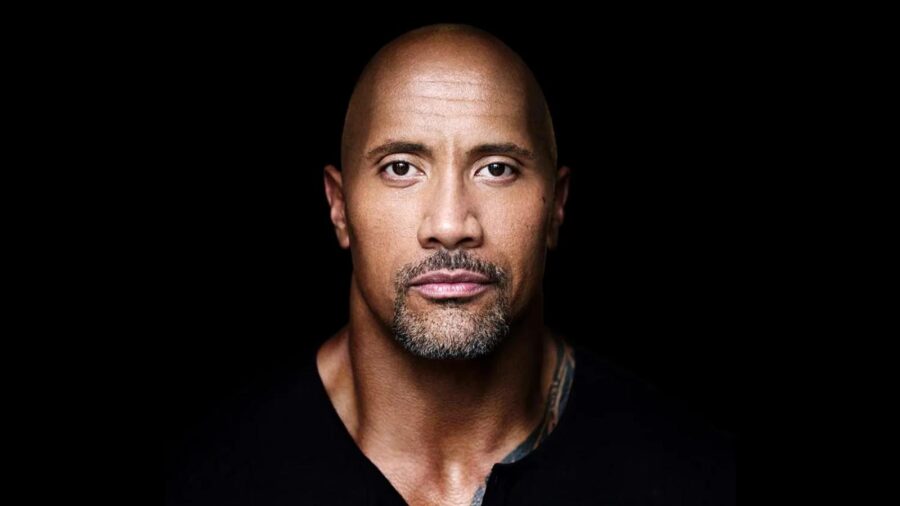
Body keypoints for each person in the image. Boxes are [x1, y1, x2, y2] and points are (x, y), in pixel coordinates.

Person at [165, 23, 736, 505]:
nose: (449, 223)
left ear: (556, 207)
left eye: (496, 169)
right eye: (400, 167)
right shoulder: (209, 482)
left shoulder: (694, 477)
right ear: (339, 207)